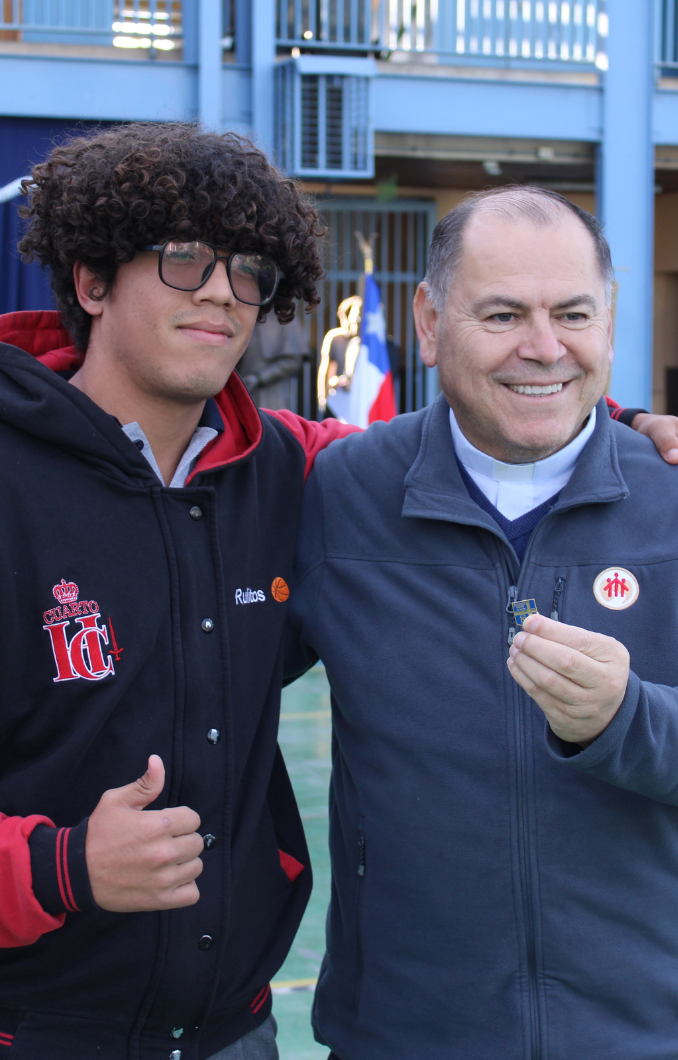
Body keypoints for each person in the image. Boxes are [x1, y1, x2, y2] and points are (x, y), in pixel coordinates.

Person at [286, 185, 678, 1060]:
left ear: (609, 321)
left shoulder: (673, 494)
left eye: (573, 313)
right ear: (429, 322)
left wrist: (627, 721)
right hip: (402, 1035)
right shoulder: (341, 497)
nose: (544, 349)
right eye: (502, 314)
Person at [0, 122, 361, 1060]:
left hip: (235, 1033)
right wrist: (63, 866)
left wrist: (620, 425)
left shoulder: (287, 469)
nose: (221, 293)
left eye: (249, 270)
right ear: (90, 281)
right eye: (184, 259)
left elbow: (451, 460)